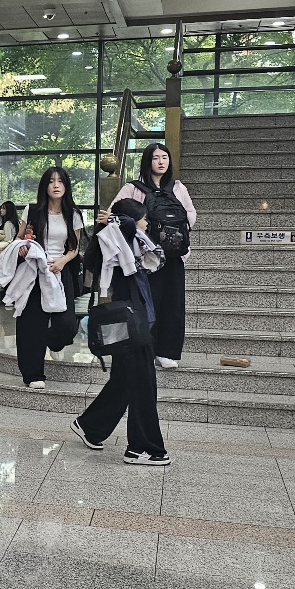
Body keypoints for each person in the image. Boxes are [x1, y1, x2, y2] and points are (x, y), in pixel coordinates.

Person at [73, 198, 170, 466]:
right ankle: (142, 448)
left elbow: (158, 255)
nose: (147, 222)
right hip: (129, 324)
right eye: (143, 218)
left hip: (134, 322)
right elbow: (125, 226)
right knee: (142, 386)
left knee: (128, 380)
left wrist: (120, 221)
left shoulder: (130, 243)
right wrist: (117, 219)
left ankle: (91, 425)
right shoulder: (115, 241)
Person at [103, 142, 196, 370]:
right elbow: (116, 212)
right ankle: (146, 349)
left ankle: (167, 352)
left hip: (173, 256)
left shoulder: (178, 187)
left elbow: (191, 214)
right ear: (148, 161)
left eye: (165, 157)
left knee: (173, 305)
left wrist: (173, 232)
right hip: (146, 258)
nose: (161, 162)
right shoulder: (133, 188)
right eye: (156, 158)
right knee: (147, 303)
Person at [10, 167, 85, 388]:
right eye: (51, 181)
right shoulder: (32, 211)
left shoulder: (74, 214)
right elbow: (19, 239)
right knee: (32, 324)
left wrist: (62, 261)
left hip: (60, 273)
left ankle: (53, 341)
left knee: (67, 325)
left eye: (60, 181)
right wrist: (21, 248)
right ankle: (33, 374)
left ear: (66, 186)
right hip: (34, 272)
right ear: (45, 186)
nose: (56, 185)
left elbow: (74, 247)